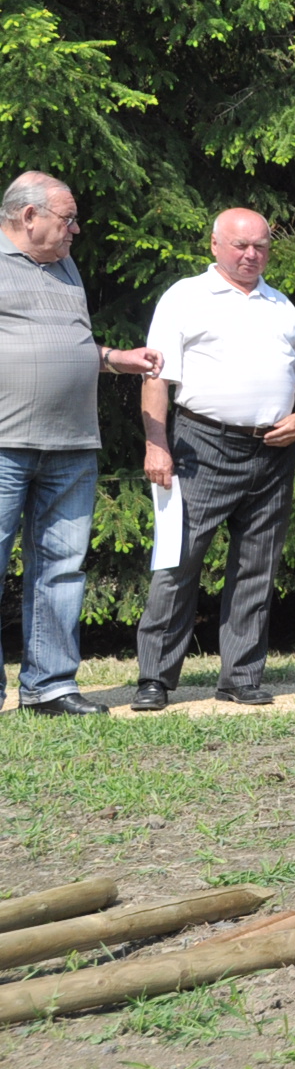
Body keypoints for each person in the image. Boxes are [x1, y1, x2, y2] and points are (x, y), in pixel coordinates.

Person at [135, 208, 295, 711]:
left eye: (260, 246)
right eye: (241, 246)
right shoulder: (186, 297)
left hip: (272, 449)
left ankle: (240, 675)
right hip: (201, 445)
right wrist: (157, 445)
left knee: (256, 567)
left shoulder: (280, 305)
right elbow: (157, 377)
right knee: (179, 561)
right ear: (215, 245)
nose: (251, 255)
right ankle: (155, 677)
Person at [0, 173, 161, 715]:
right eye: (66, 219)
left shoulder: (65, 266)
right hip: (5, 445)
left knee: (62, 566)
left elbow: (66, 342)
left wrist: (117, 359)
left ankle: (49, 687)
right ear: (28, 217)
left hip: (72, 444)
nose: (76, 229)